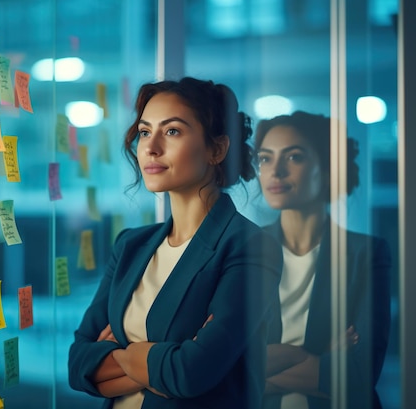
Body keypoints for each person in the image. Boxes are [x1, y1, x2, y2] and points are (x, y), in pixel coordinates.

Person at [68, 77, 282, 409]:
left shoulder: (250, 246)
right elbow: (78, 363)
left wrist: (118, 357)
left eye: (172, 131)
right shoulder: (130, 245)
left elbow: (191, 372)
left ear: (217, 149)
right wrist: (156, 361)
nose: (151, 147)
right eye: (144, 132)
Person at [253, 111, 391, 409]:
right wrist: (318, 360)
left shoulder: (366, 254)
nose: (275, 171)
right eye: (265, 158)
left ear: (328, 169)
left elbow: (357, 374)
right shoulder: (243, 251)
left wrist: (255, 375)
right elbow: (218, 364)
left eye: (294, 157)